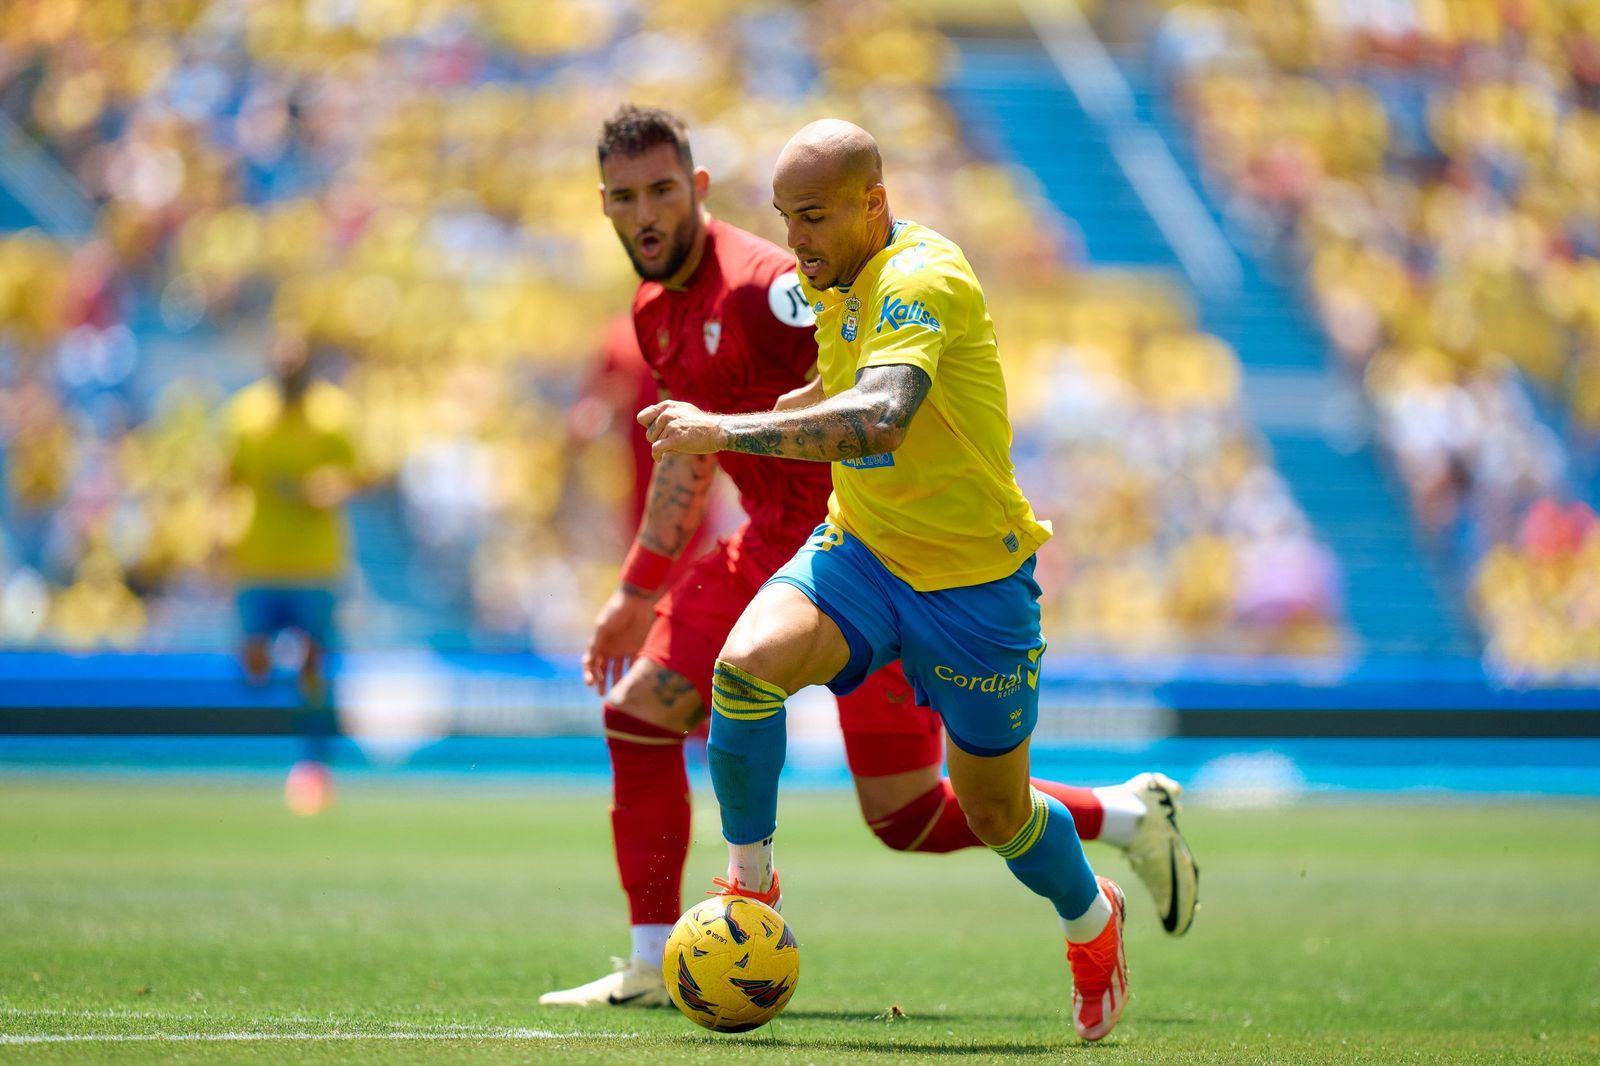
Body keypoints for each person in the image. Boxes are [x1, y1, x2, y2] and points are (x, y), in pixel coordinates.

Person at [540, 106, 1197, 1014]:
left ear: (872, 204)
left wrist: (724, 427)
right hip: (852, 550)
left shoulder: (904, 280)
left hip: (968, 584)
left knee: (957, 812)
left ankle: (1095, 908)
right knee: (733, 674)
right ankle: (743, 895)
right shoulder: (797, 284)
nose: (796, 242)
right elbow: (811, 389)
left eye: (813, 217)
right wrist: (636, 586)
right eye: (785, 217)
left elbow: (880, 413)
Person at [223, 332, 361, 816]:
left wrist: (326, 489)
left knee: (314, 667)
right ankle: (257, 757)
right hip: (259, 559)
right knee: (254, 664)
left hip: (315, 564)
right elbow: (228, 477)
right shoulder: (246, 413)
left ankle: (311, 767)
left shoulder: (334, 414)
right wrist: (218, 529)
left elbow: (356, 474)